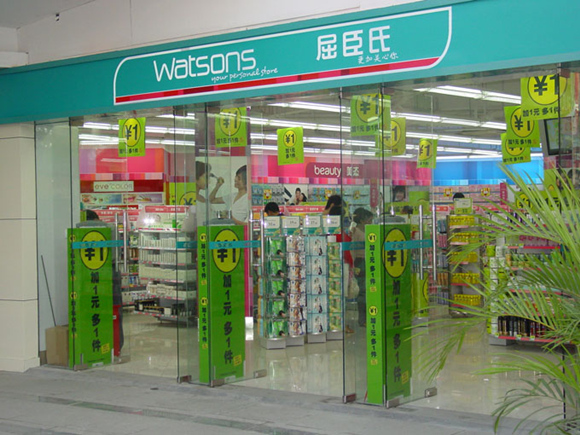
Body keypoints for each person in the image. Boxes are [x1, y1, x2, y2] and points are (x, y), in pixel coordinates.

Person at [352, 208, 374, 327]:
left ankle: (368, 317)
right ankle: (362, 319)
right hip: (359, 262)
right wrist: (353, 266)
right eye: (369, 220)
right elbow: (353, 250)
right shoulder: (356, 232)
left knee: (367, 290)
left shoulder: (367, 231)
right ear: (362, 220)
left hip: (368, 261)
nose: (370, 223)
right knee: (362, 290)